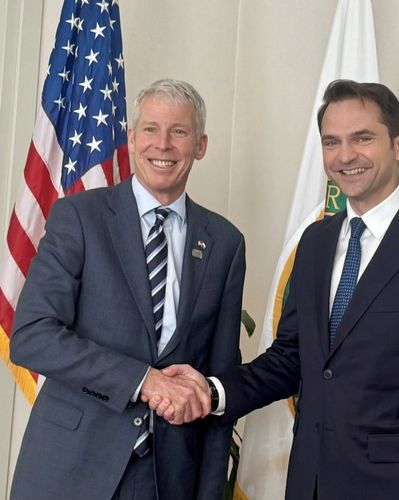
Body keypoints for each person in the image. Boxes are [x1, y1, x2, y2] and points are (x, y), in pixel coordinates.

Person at [155, 80, 399, 499]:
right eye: (331, 142)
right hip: (311, 484)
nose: (345, 155)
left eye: (363, 138)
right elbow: (291, 358)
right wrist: (212, 391)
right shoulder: (315, 242)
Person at [9, 79, 245, 500]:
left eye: (179, 131)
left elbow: (218, 380)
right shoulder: (80, 217)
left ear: (200, 145)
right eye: (151, 129)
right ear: (133, 139)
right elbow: (31, 336)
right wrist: (143, 381)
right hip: (69, 470)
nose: (163, 144)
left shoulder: (225, 243)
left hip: (166, 480)